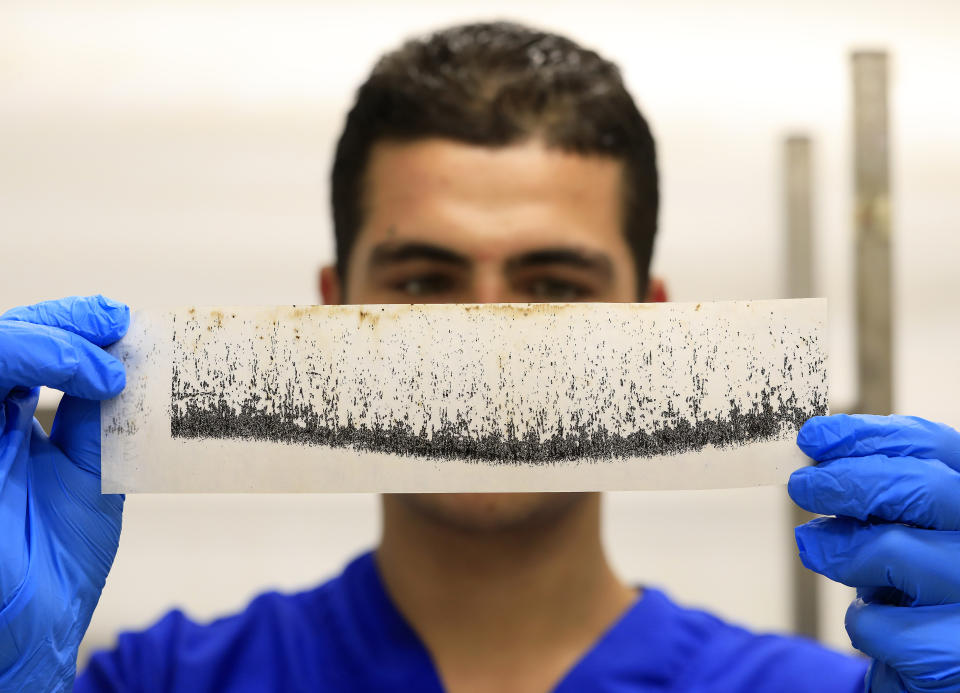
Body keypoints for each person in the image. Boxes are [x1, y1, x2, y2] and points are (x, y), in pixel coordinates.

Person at [1, 21, 958, 693]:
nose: (492, 337)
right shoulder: (157, 682)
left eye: (554, 285)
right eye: (424, 279)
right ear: (334, 310)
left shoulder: (830, 690)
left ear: (652, 321)